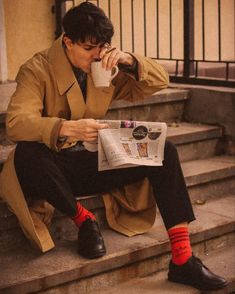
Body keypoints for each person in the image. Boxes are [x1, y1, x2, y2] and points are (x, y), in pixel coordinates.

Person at [1, 2, 228, 291]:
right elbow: (17, 123)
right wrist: (66, 127)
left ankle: (182, 260)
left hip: (92, 160)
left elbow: (160, 81)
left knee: (164, 150)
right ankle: (84, 221)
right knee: (26, 154)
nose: (97, 55)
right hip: (54, 168)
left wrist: (128, 61)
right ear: (68, 41)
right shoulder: (37, 69)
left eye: (103, 47)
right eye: (88, 48)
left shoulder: (105, 65)